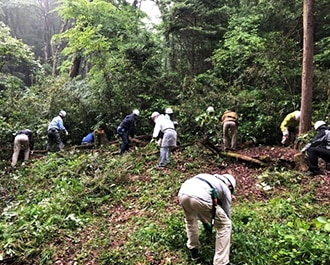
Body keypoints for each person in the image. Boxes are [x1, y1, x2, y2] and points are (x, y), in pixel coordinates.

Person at [178, 173, 236, 264]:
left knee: (190, 220)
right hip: (200, 196)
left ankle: (194, 251)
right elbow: (226, 214)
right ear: (230, 186)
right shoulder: (226, 189)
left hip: (183, 192)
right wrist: (227, 237)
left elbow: (197, 205)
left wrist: (205, 223)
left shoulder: (209, 178)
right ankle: (221, 262)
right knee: (225, 225)